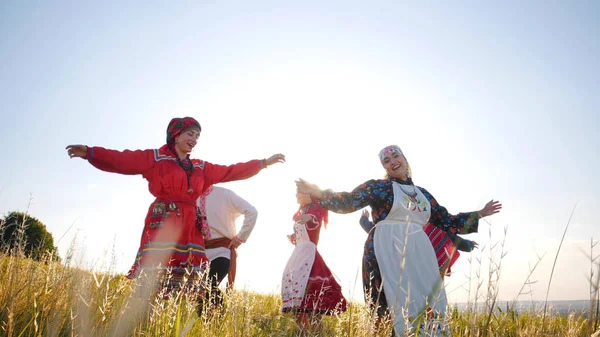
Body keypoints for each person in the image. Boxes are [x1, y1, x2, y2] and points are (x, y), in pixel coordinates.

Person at [296, 145, 501, 336]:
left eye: (395, 156)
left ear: (404, 159)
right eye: (386, 160)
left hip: (419, 251)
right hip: (384, 249)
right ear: (384, 167)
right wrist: (318, 192)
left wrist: (480, 214)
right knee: (389, 304)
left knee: (428, 300)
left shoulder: (423, 194)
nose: (392, 161)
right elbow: (349, 201)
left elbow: (446, 220)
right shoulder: (379, 187)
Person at [65, 117, 285, 295]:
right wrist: (90, 152)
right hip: (164, 221)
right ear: (175, 135)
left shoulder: (200, 167)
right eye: (190, 133)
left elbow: (230, 171)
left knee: (189, 283)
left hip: (191, 227)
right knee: (156, 277)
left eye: (198, 135)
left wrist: (262, 163)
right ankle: (146, 319)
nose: (195, 139)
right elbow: (122, 160)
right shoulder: (156, 158)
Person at [281, 190, 347, 335]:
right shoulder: (301, 211)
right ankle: (304, 334)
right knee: (299, 302)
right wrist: (294, 236)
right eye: (296, 192)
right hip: (299, 255)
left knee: (311, 303)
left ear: (310, 194)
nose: (297, 195)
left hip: (309, 257)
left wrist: (309, 218)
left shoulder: (314, 210)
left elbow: (314, 220)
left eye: (300, 192)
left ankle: (315, 334)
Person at [360, 210, 478, 278]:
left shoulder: (424, 227)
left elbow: (448, 237)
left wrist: (363, 220)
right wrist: (468, 245)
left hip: (414, 267)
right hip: (420, 267)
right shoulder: (422, 226)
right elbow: (450, 237)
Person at [197, 185, 258, 310]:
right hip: (200, 254)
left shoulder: (225, 194)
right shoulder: (191, 197)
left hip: (222, 252)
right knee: (197, 291)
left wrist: (240, 238)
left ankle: (217, 322)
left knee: (208, 285)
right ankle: (209, 326)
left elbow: (252, 212)